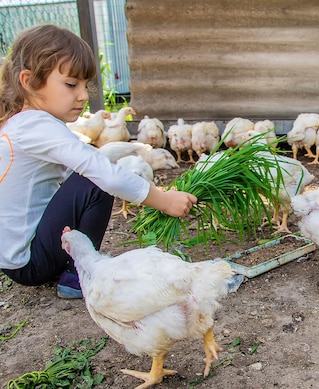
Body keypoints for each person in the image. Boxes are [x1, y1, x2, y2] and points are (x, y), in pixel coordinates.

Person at [0, 24, 197, 299]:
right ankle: (78, 275)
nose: (83, 95)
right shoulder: (36, 125)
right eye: (71, 84)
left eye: (85, 85)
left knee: (86, 175)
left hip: (15, 257)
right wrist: (163, 200)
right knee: (96, 179)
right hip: (31, 261)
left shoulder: (18, 123)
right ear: (29, 81)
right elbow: (105, 174)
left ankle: (69, 261)